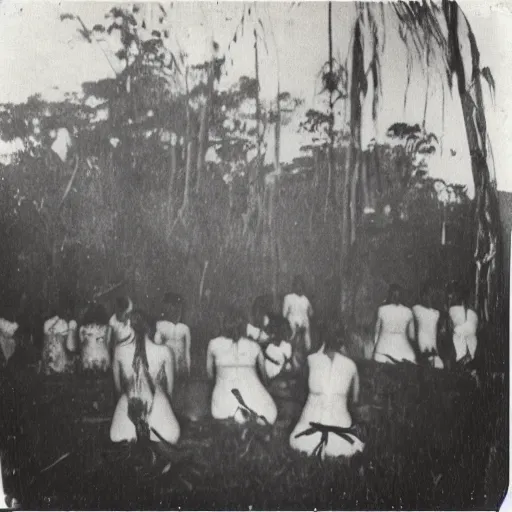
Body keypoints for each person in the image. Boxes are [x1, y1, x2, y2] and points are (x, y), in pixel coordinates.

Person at [289, 320, 364, 459]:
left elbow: (299, 394)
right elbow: (355, 400)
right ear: (342, 338)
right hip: (340, 424)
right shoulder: (351, 365)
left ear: (323, 337)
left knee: (301, 442)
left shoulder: (311, 360)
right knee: (343, 447)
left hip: (310, 422)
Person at [110, 309, 180, 444]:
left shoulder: (118, 351)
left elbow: (117, 390)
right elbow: (170, 392)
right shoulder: (165, 351)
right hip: (158, 414)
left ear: (129, 327)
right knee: (171, 436)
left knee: (117, 438)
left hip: (127, 418)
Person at [206, 307, 277, 425]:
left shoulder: (213, 344)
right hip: (257, 405)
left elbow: (210, 376)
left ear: (224, 323)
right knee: (268, 412)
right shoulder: (255, 346)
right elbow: (264, 378)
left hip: (223, 407)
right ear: (245, 325)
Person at [373, 284, 416, 364]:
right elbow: (412, 336)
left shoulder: (381, 310)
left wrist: (375, 348)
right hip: (405, 354)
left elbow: (376, 334)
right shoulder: (409, 312)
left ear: (389, 295)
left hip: (382, 352)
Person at [154, 292, 191, 379]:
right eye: (174, 307)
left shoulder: (184, 328)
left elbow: (187, 352)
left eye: (179, 309)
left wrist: (188, 370)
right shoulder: (160, 325)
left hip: (180, 370)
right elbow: (157, 348)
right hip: (166, 367)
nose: (178, 312)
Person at [282, 276, 313, 366]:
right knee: (293, 349)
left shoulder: (305, 299)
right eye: (297, 284)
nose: (299, 287)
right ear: (294, 286)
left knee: (306, 348)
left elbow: (311, 313)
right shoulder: (288, 297)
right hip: (293, 327)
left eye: (301, 285)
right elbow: (284, 314)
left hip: (305, 327)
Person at [412, 283, 443, 368]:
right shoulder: (416, 309)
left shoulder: (436, 314)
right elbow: (412, 333)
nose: (431, 298)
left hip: (433, 354)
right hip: (421, 354)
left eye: (433, 296)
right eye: (428, 295)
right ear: (423, 296)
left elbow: (436, 334)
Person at [42, 304, 77, 375]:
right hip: (62, 329)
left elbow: (47, 340)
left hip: (54, 328)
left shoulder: (48, 326)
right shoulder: (66, 327)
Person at [448, 285, 478, 363]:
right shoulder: (453, 311)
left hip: (467, 356)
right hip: (461, 356)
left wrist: (455, 329)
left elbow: (470, 329)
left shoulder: (471, 313)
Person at [77, 303, 111, 372]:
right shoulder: (106, 328)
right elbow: (108, 342)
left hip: (88, 358)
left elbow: (81, 344)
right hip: (102, 358)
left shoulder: (82, 329)